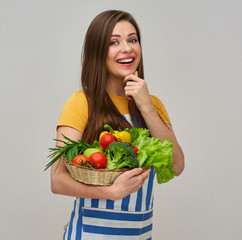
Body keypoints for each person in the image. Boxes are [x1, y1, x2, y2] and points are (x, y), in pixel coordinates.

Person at [50, 10, 184, 240]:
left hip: (140, 235)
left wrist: (147, 107)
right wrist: (109, 192)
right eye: (114, 42)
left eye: (133, 39)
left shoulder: (153, 105)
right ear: (98, 51)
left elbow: (176, 165)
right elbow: (57, 180)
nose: (127, 48)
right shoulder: (81, 103)